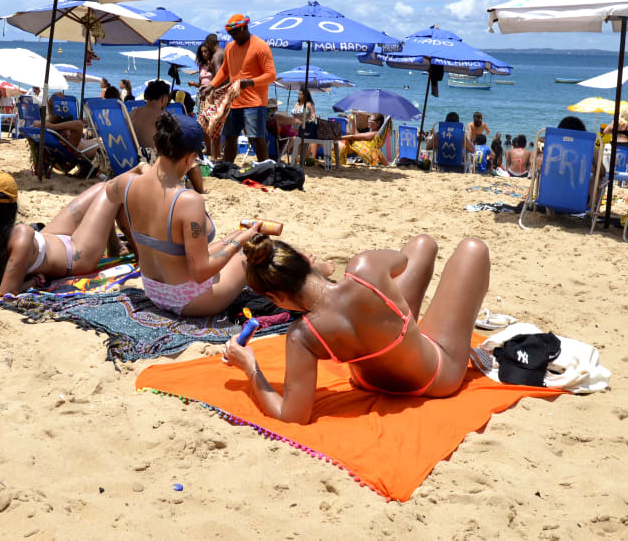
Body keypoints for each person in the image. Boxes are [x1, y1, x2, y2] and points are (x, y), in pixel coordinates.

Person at [224, 234, 489, 424]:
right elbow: (402, 262)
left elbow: (291, 415)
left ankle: (389, 323)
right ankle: (393, 323)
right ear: (304, 260)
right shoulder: (365, 266)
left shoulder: (303, 335)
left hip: (367, 381)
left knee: (422, 246)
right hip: (433, 378)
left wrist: (250, 367)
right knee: (463, 247)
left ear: (276, 299)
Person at [106, 112, 261, 316]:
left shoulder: (127, 185)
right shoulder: (188, 200)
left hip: (153, 290)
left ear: (158, 147)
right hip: (190, 300)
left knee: (234, 237)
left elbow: (108, 190)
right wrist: (242, 241)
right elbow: (200, 272)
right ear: (189, 158)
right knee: (250, 252)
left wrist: (141, 167)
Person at [0, 172, 125, 293]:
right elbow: (7, 293)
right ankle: (138, 255)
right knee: (111, 190)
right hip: (76, 255)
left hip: (49, 237)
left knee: (104, 188)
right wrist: (34, 282)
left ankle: (115, 244)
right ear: (13, 209)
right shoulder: (21, 236)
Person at [210, 14, 276, 164]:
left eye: (235, 33)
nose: (233, 37)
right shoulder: (229, 48)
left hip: (255, 103)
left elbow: (271, 75)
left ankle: (265, 169)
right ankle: (227, 168)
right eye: (230, 34)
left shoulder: (260, 46)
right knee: (230, 137)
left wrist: (251, 82)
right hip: (234, 101)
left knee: (256, 138)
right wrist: (211, 86)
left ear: (244, 28)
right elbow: (224, 71)